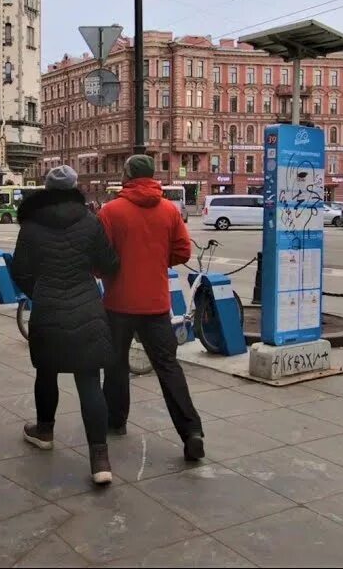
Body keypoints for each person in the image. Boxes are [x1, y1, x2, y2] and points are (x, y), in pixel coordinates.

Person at [11, 166, 120, 485]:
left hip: (48, 309)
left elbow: (19, 270)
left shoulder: (30, 225)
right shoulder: (90, 221)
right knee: (89, 381)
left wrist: (40, 291)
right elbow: (109, 263)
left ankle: (44, 430)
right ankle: (100, 459)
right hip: (86, 305)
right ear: (75, 189)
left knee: (46, 372)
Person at [97, 154, 205, 461]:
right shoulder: (169, 209)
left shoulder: (111, 210)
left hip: (118, 303)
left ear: (128, 175)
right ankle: (191, 432)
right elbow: (182, 251)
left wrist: (113, 270)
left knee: (115, 364)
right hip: (156, 304)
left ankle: (115, 421)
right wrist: (157, 262)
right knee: (168, 367)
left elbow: (98, 258)